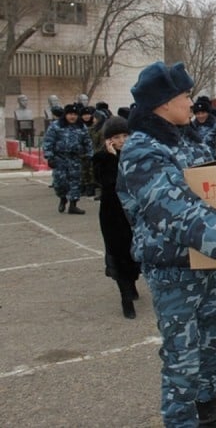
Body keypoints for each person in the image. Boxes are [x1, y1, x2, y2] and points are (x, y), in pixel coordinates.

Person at [116, 61, 216, 428]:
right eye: (185, 96)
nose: (191, 102)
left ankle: (209, 415)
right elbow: (173, 207)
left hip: (206, 260)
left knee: (210, 343)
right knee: (182, 355)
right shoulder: (142, 150)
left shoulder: (187, 138)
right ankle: (182, 422)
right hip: (173, 269)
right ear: (163, 102)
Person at [92, 116, 140, 319]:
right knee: (118, 252)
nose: (122, 141)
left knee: (134, 251)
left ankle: (132, 283)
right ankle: (125, 297)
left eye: (125, 136)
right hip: (112, 213)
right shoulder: (101, 159)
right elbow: (108, 182)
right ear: (108, 140)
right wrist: (114, 158)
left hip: (135, 213)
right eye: (117, 137)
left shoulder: (137, 156)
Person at [42, 103, 93, 214]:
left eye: (75, 114)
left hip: (75, 159)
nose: (72, 117)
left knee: (75, 182)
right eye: (70, 114)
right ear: (65, 114)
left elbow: (87, 142)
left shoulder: (81, 126)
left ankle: (73, 205)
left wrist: (89, 155)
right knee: (60, 183)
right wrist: (49, 157)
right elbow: (48, 141)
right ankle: (62, 198)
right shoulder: (56, 126)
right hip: (60, 159)